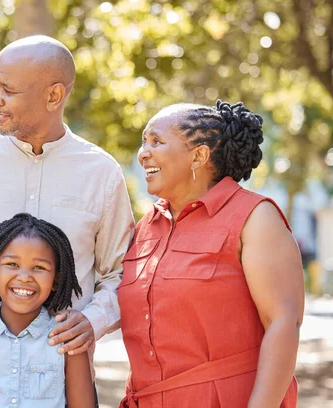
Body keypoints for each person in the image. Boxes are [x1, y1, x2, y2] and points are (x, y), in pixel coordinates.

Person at [0, 35, 134, 405]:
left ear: (54, 96)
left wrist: (92, 323)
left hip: (64, 385)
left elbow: (120, 273)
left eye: (7, 89)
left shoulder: (101, 173)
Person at [118, 100, 303, 408]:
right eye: (143, 142)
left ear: (199, 155)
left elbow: (283, 322)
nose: (143, 153)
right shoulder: (147, 227)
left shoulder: (254, 217)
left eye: (156, 141)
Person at [0, 213, 95, 407]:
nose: (24, 277)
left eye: (38, 267)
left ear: (56, 280)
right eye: (12, 264)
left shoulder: (67, 337)